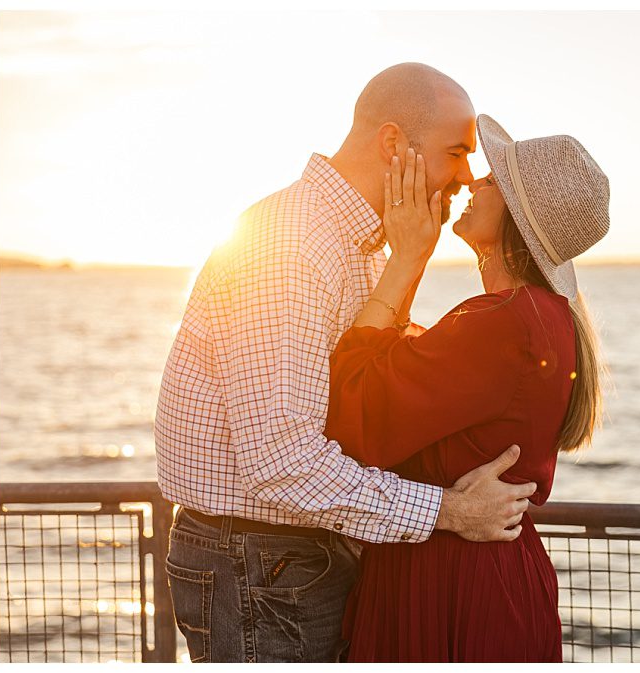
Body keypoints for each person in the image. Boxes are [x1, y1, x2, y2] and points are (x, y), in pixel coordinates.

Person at [154, 65, 536, 663]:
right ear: (393, 144)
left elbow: (367, 387)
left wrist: (409, 259)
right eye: (456, 152)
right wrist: (450, 512)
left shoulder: (351, 245)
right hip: (259, 564)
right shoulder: (292, 244)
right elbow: (283, 462)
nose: (467, 176)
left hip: (284, 559)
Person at [325, 114, 610, 662]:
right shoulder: (539, 315)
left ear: (519, 220)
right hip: (490, 575)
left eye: (496, 180)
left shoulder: (502, 322)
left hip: (453, 584)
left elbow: (350, 414)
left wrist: (407, 256)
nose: (475, 180)